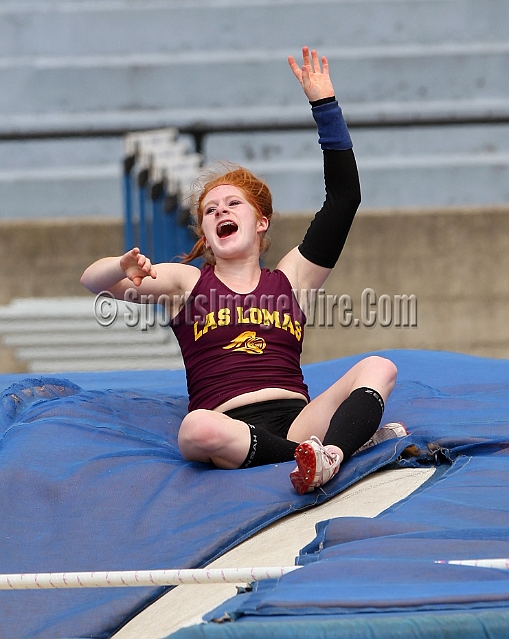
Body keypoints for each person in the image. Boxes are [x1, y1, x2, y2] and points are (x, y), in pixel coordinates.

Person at [81, 47, 403, 495]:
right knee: (195, 430)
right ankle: (332, 451)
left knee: (380, 366)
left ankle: (327, 454)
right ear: (206, 233)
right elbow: (93, 282)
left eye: (233, 204)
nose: (220, 211)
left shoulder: (292, 279)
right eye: (210, 210)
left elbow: (344, 198)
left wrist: (324, 106)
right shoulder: (188, 282)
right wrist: (120, 265)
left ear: (261, 221)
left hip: (298, 417)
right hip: (231, 427)